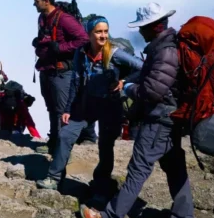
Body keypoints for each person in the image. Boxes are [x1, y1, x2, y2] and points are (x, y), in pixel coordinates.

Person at [79, 3, 196, 218]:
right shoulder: (168, 47)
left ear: (154, 27)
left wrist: (130, 87)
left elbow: (153, 91)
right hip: (170, 118)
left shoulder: (164, 53)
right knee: (174, 167)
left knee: (138, 169)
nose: (140, 32)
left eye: (143, 27)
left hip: (158, 120)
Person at [36, 16, 143, 207]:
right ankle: (54, 177)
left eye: (105, 31)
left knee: (105, 145)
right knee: (66, 135)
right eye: (98, 32)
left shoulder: (115, 53)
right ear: (89, 33)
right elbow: (76, 81)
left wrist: (124, 82)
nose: (103, 36)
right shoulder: (81, 53)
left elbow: (142, 67)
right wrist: (68, 109)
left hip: (111, 106)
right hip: (87, 103)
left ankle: (101, 188)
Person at [31, 0, 89, 155]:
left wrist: (62, 48)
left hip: (62, 72)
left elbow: (84, 39)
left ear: (47, 1)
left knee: (62, 111)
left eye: (37, 1)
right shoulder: (42, 18)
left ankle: (63, 151)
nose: (34, 4)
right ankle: (54, 143)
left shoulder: (64, 19)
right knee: (52, 109)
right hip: (47, 69)